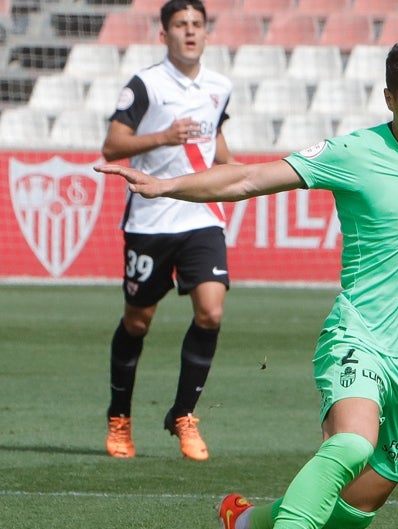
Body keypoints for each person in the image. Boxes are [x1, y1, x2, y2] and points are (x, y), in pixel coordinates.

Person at [98, 39, 398, 529]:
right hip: (361, 338)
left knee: (359, 506)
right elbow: (248, 179)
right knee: (352, 445)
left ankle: (248, 520)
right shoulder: (354, 152)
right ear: (389, 99)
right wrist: (166, 187)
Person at [102, 0, 237, 461]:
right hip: (150, 220)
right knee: (138, 321)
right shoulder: (145, 84)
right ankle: (119, 416)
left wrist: (240, 175)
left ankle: (183, 414)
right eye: (180, 25)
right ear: (164, 35)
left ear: (206, 32)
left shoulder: (220, 86)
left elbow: (215, 143)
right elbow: (112, 143)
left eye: (197, 24)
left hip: (201, 215)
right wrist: (162, 136)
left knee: (211, 312)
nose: (190, 32)